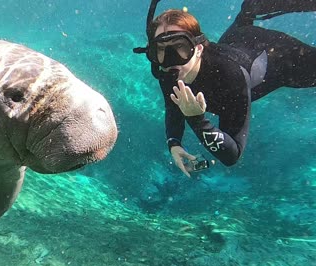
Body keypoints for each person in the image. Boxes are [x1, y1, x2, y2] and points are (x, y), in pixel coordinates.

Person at [133, 0, 316, 177]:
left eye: (180, 47)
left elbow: (232, 155)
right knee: (249, 11)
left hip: (278, 54)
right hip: (238, 37)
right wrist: (174, 143)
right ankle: (250, 10)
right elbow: (174, 106)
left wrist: (197, 120)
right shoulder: (169, 71)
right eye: (161, 50)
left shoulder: (229, 76)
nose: (170, 58)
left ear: (197, 48)